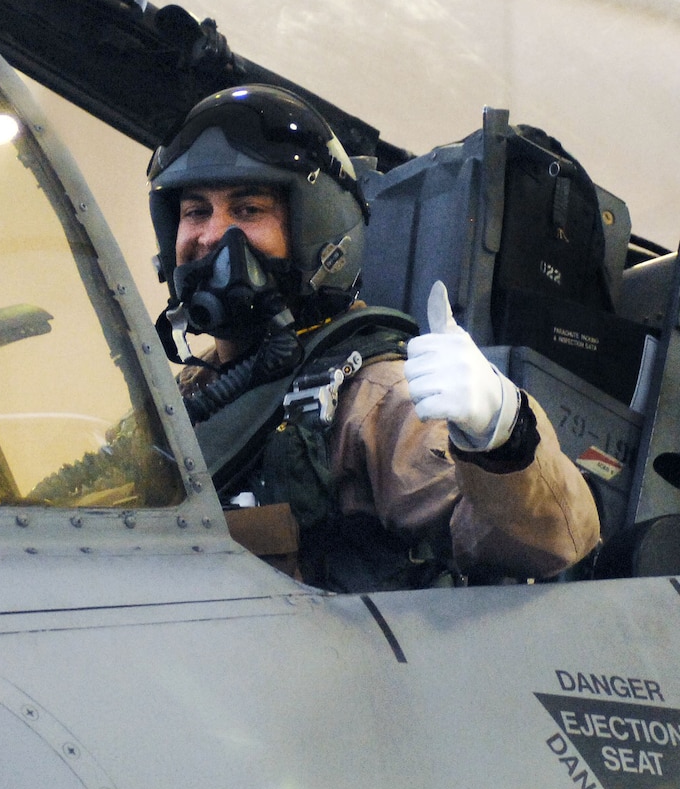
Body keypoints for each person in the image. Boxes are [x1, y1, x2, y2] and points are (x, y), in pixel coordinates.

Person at [148, 85, 599, 590]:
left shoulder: (374, 394)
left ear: (319, 233)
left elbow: (552, 541)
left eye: (248, 210)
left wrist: (502, 434)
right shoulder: (192, 388)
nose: (210, 236)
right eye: (195, 211)